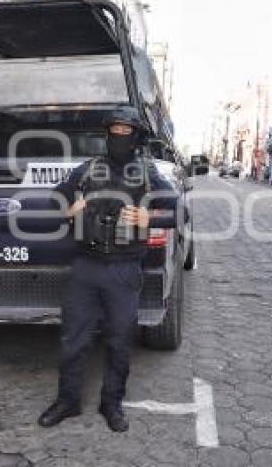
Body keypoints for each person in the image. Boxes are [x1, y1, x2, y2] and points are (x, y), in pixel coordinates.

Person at [38, 107, 178, 433]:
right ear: (105, 133)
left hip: (125, 269)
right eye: (114, 129)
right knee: (74, 339)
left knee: (119, 341)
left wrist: (150, 219)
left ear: (136, 136)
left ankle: (111, 402)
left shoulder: (147, 173)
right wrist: (69, 208)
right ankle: (68, 401)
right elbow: (54, 202)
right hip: (85, 266)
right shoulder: (88, 170)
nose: (119, 136)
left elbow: (178, 210)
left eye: (126, 130)